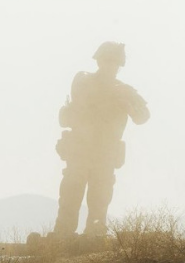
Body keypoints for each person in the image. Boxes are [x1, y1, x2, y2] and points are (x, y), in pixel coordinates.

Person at [52, 41, 150, 236]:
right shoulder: (84, 81)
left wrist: (127, 105)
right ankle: (63, 236)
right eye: (107, 61)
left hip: (104, 154)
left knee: (100, 198)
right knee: (71, 194)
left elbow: (143, 116)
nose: (110, 66)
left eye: (114, 63)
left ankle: (94, 234)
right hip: (81, 150)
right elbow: (74, 111)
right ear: (99, 61)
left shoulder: (124, 90)